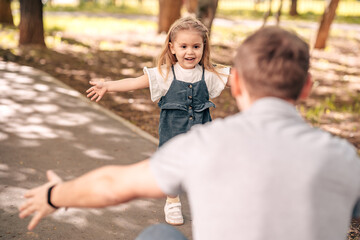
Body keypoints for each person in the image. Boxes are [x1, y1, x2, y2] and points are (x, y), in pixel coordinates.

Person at [19, 26, 360, 240]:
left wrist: (54, 196)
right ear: (307, 88)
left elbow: (111, 186)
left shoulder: (202, 145)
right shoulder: (342, 157)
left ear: (235, 83)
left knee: (159, 235)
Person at [85, 16, 230, 226]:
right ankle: (172, 202)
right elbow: (136, 82)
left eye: (196, 46)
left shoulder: (208, 74)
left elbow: (239, 79)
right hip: (173, 134)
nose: (190, 52)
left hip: (201, 137)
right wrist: (109, 85)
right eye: (184, 46)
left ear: (203, 47)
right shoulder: (165, 74)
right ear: (172, 48)